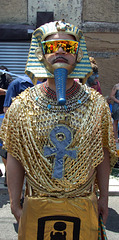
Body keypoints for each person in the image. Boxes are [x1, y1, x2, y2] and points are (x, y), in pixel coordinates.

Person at [0, 20, 117, 240]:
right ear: (41, 53)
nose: (61, 50)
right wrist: (15, 204)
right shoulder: (22, 105)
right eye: (53, 47)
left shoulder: (97, 104)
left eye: (68, 47)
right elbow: (15, 155)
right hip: (37, 202)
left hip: (83, 201)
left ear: (78, 55)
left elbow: (102, 153)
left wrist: (103, 199)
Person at [0, 66, 13, 179]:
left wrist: (3, 92)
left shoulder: (5, 75)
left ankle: (8, 174)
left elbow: (12, 91)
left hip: (3, 116)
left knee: (4, 146)